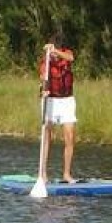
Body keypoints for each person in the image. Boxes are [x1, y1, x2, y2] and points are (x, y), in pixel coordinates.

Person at [40, 34, 78, 183]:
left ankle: (66, 174)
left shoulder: (66, 54)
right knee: (47, 136)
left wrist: (55, 51)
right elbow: (43, 77)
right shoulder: (46, 62)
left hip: (67, 100)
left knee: (69, 137)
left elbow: (71, 58)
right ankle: (43, 173)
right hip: (50, 100)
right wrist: (43, 90)